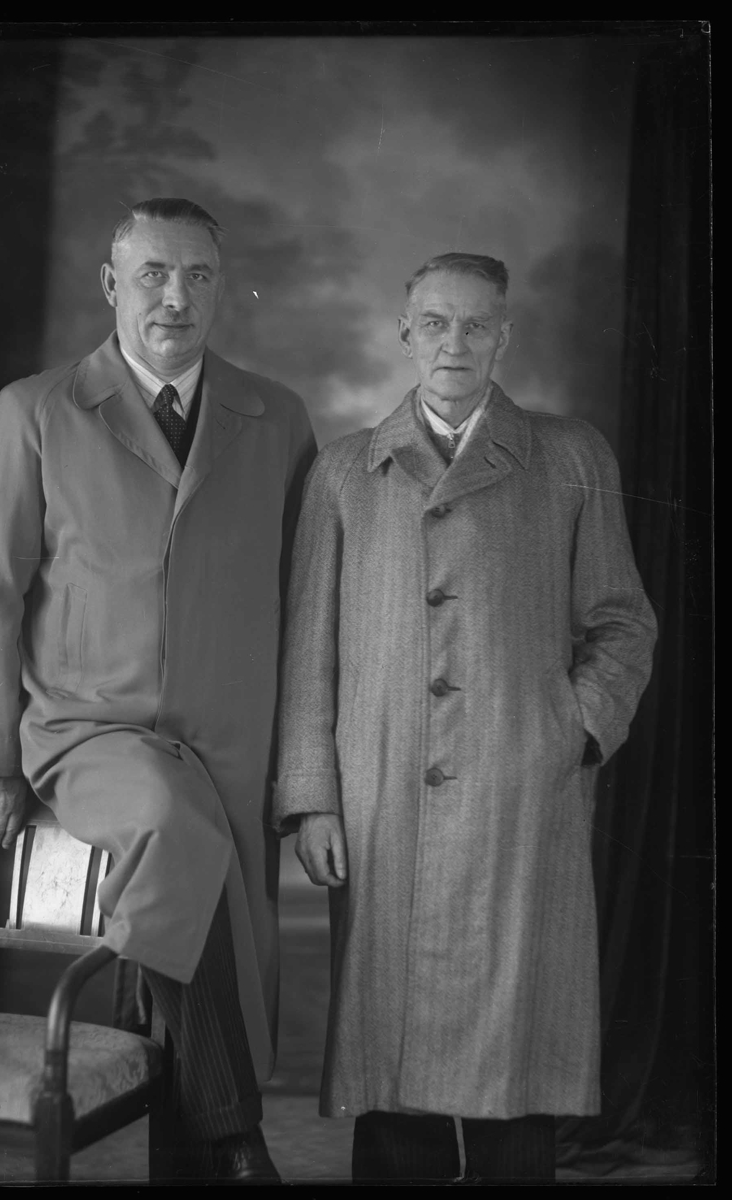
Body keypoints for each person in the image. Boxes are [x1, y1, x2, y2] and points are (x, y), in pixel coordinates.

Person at [0, 198, 316, 1183]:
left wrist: (304, 770)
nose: (175, 297)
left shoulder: (277, 417)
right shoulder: (36, 410)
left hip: (231, 741)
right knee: (166, 821)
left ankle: (193, 1153)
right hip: (89, 730)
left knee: (223, 928)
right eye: (153, 273)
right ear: (112, 284)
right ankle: (236, 1134)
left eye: (198, 275)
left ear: (221, 290)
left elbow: (309, 600)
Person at [273, 253, 657, 1183]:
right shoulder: (343, 472)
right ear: (406, 335)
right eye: (437, 323)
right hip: (382, 799)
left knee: (513, 1072)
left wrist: (570, 732)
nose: (456, 342)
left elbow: (622, 622)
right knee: (391, 1071)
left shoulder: (572, 456)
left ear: (504, 337)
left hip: (518, 800)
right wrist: (314, 799)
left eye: (477, 324)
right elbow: (308, 653)